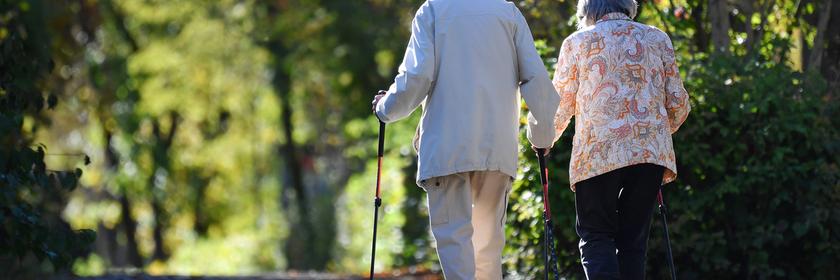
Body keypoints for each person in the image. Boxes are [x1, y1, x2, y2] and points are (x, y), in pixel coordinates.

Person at [371, 0, 560, 278]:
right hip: (497, 149)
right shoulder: (507, 13)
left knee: (455, 246)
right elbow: (536, 79)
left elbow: (417, 76)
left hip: (447, 148)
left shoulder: (433, 11)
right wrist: (542, 136)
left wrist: (385, 108)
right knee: (488, 251)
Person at [551, 0, 691, 279]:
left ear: (587, 11)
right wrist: (654, 134)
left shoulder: (577, 42)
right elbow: (678, 103)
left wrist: (544, 140)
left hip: (598, 154)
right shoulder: (656, 38)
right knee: (633, 242)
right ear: (629, 6)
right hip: (649, 154)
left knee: (596, 235)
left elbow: (559, 106)